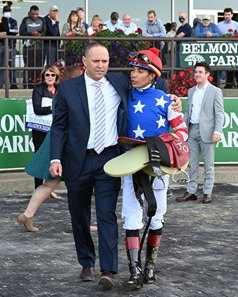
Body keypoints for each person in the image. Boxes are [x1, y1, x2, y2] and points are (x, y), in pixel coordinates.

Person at [49, 41, 129, 290]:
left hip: (109, 159)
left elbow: (148, 86)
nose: (101, 65)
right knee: (79, 216)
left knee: (106, 215)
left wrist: (171, 98)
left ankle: (108, 269)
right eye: (96, 61)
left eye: (105, 61)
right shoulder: (68, 89)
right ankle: (86, 262)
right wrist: (55, 158)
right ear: (85, 62)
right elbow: (59, 126)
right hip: (78, 161)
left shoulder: (119, 83)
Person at [122, 48, 188, 289]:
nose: (134, 74)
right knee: (131, 214)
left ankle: (150, 266)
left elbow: (181, 131)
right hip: (130, 165)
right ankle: (134, 269)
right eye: (133, 70)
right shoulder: (124, 95)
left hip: (158, 167)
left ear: (153, 75)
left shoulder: (164, 99)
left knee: (158, 214)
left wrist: (165, 148)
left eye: (140, 71)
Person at [17, 65, 99, 233]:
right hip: (70, 147)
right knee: (78, 187)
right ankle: (83, 223)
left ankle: (28, 214)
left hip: (58, 143)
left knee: (49, 184)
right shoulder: (75, 96)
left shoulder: (61, 95)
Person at [176, 62, 224, 204]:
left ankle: (207, 192)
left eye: (200, 72)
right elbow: (187, 112)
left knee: (208, 165)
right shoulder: (191, 91)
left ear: (207, 75)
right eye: (196, 72)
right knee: (192, 164)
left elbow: (220, 113)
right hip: (192, 130)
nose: (197, 74)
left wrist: (217, 131)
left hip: (208, 132)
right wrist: (182, 128)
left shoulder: (215, 91)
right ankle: (191, 192)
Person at [31, 65, 60, 190]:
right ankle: (38, 188)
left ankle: (49, 189)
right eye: (47, 74)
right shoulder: (38, 89)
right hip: (40, 130)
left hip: (56, 129)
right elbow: (37, 109)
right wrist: (52, 108)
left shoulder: (61, 89)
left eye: (52, 74)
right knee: (40, 158)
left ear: (57, 76)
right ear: (43, 76)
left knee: (54, 158)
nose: (50, 77)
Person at [19, 5, 46, 89]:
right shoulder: (25, 20)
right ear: (30, 13)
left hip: (40, 48)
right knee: (29, 67)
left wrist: (39, 34)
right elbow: (21, 32)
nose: (35, 16)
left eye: (37, 14)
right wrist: (31, 34)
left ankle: (38, 84)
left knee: (39, 67)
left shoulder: (42, 20)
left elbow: (45, 32)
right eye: (33, 14)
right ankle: (28, 84)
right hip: (28, 48)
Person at [217, 8, 238, 89]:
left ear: (232, 15)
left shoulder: (236, 24)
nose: (227, 16)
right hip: (221, 48)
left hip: (233, 49)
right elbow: (216, 35)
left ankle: (230, 84)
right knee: (221, 66)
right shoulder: (219, 24)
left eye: (228, 15)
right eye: (225, 14)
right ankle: (217, 83)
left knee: (232, 66)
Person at [3, 5, 19, 89]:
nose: (7, 12)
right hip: (2, 46)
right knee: (2, 65)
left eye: (8, 11)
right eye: (6, 11)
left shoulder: (13, 21)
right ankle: (1, 83)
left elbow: (15, 31)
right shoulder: (1, 21)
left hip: (11, 45)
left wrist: (7, 30)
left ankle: (13, 84)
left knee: (12, 66)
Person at [0, 10, 9, 88]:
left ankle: (0, 83)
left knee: (3, 65)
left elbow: (6, 30)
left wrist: (0, 21)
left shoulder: (4, 19)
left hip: (3, 45)